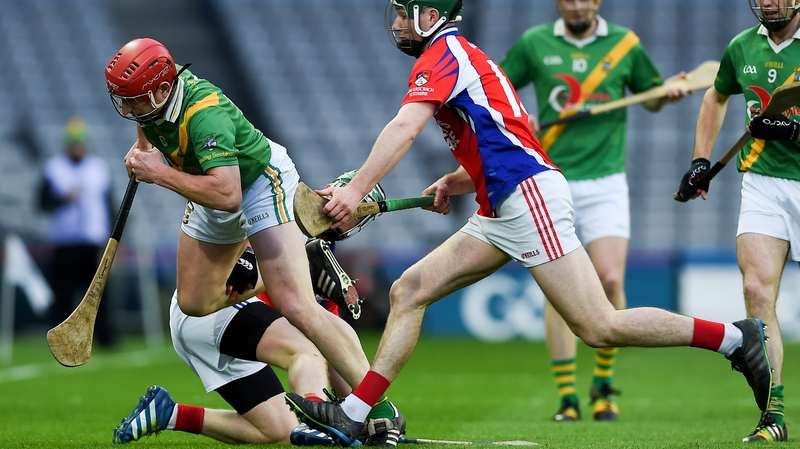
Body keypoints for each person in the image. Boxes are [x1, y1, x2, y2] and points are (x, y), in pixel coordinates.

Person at [284, 0, 774, 445]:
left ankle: (735, 339)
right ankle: (357, 410)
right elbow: (501, 133)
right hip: (501, 203)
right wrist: (455, 182)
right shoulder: (457, 54)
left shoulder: (444, 55)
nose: (394, 24)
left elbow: (405, 128)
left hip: (526, 197)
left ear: (430, 16)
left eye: (401, 13)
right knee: (408, 290)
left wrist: (352, 191)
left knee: (599, 326)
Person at [103, 38, 401, 425]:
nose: (127, 109)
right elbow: (150, 126)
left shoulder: (203, 114)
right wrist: (142, 149)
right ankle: (303, 259)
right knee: (194, 302)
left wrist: (159, 173)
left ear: (163, 88)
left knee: (296, 305)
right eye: (122, 100)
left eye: (134, 100)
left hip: (259, 184)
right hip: (208, 181)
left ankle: (377, 406)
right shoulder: (155, 99)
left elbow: (228, 195)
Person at [498, 0, 690, 421]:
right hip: (551, 177)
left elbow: (651, 96)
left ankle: (602, 386)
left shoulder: (624, 44)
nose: (578, 5)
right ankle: (567, 396)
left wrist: (667, 93)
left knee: (610, 279)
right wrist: (519, 119)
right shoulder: (535, 43)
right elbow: (496, 91)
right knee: (559, 287)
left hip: (606, 181)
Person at [113, 236, 404, 446]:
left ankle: (168, 413)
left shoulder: (319, 299)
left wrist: (361, 418)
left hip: (204, 327)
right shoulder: (277, 262)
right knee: (305, 352)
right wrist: (340, 419)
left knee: (279, 431)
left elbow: (340, 364)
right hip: (215, 310)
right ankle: (316, 424)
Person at [674, 0, 799, 442]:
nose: (768, 1)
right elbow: (715, 95)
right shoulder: (742, 47)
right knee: (755, 290)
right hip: (764, 183)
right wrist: (700, 159)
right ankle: (774, 416)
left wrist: (793, 131)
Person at [37, 116, 118, 348]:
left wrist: (113, 239)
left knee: (98, 294)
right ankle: (59, 339)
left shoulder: (99, 168)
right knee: (63, 294)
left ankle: (103, 338)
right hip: (64, 240)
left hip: (93, 239)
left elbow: (110, 205)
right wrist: (62, 199)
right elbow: (41, 202)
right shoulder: (53, 168)